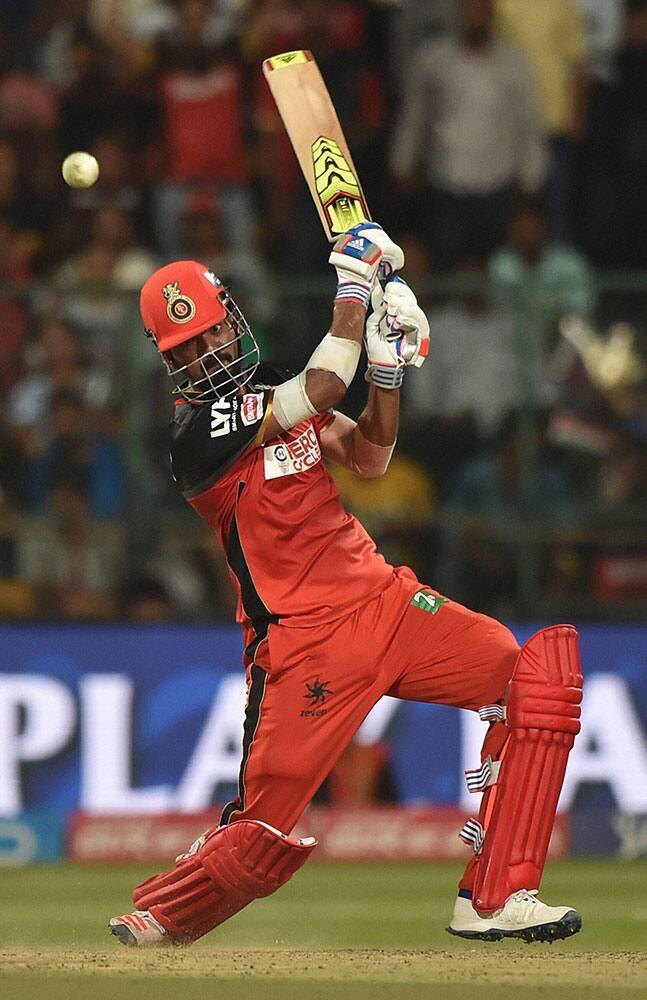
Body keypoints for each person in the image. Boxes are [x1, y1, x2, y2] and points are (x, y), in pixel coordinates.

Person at [108, 222, 583, 947]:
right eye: (186, 351)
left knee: (533, 684)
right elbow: (326, 380)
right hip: (304, 644)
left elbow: (369, 455)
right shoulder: (195, 435)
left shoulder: (279, 395)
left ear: (234, 324)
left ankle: (494, 897)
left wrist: (388, 367)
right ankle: (165, 918)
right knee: (263, 829)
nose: (205, 358)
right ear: (169, 364)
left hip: (388, 604)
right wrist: (354, 289)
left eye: (210, 338)